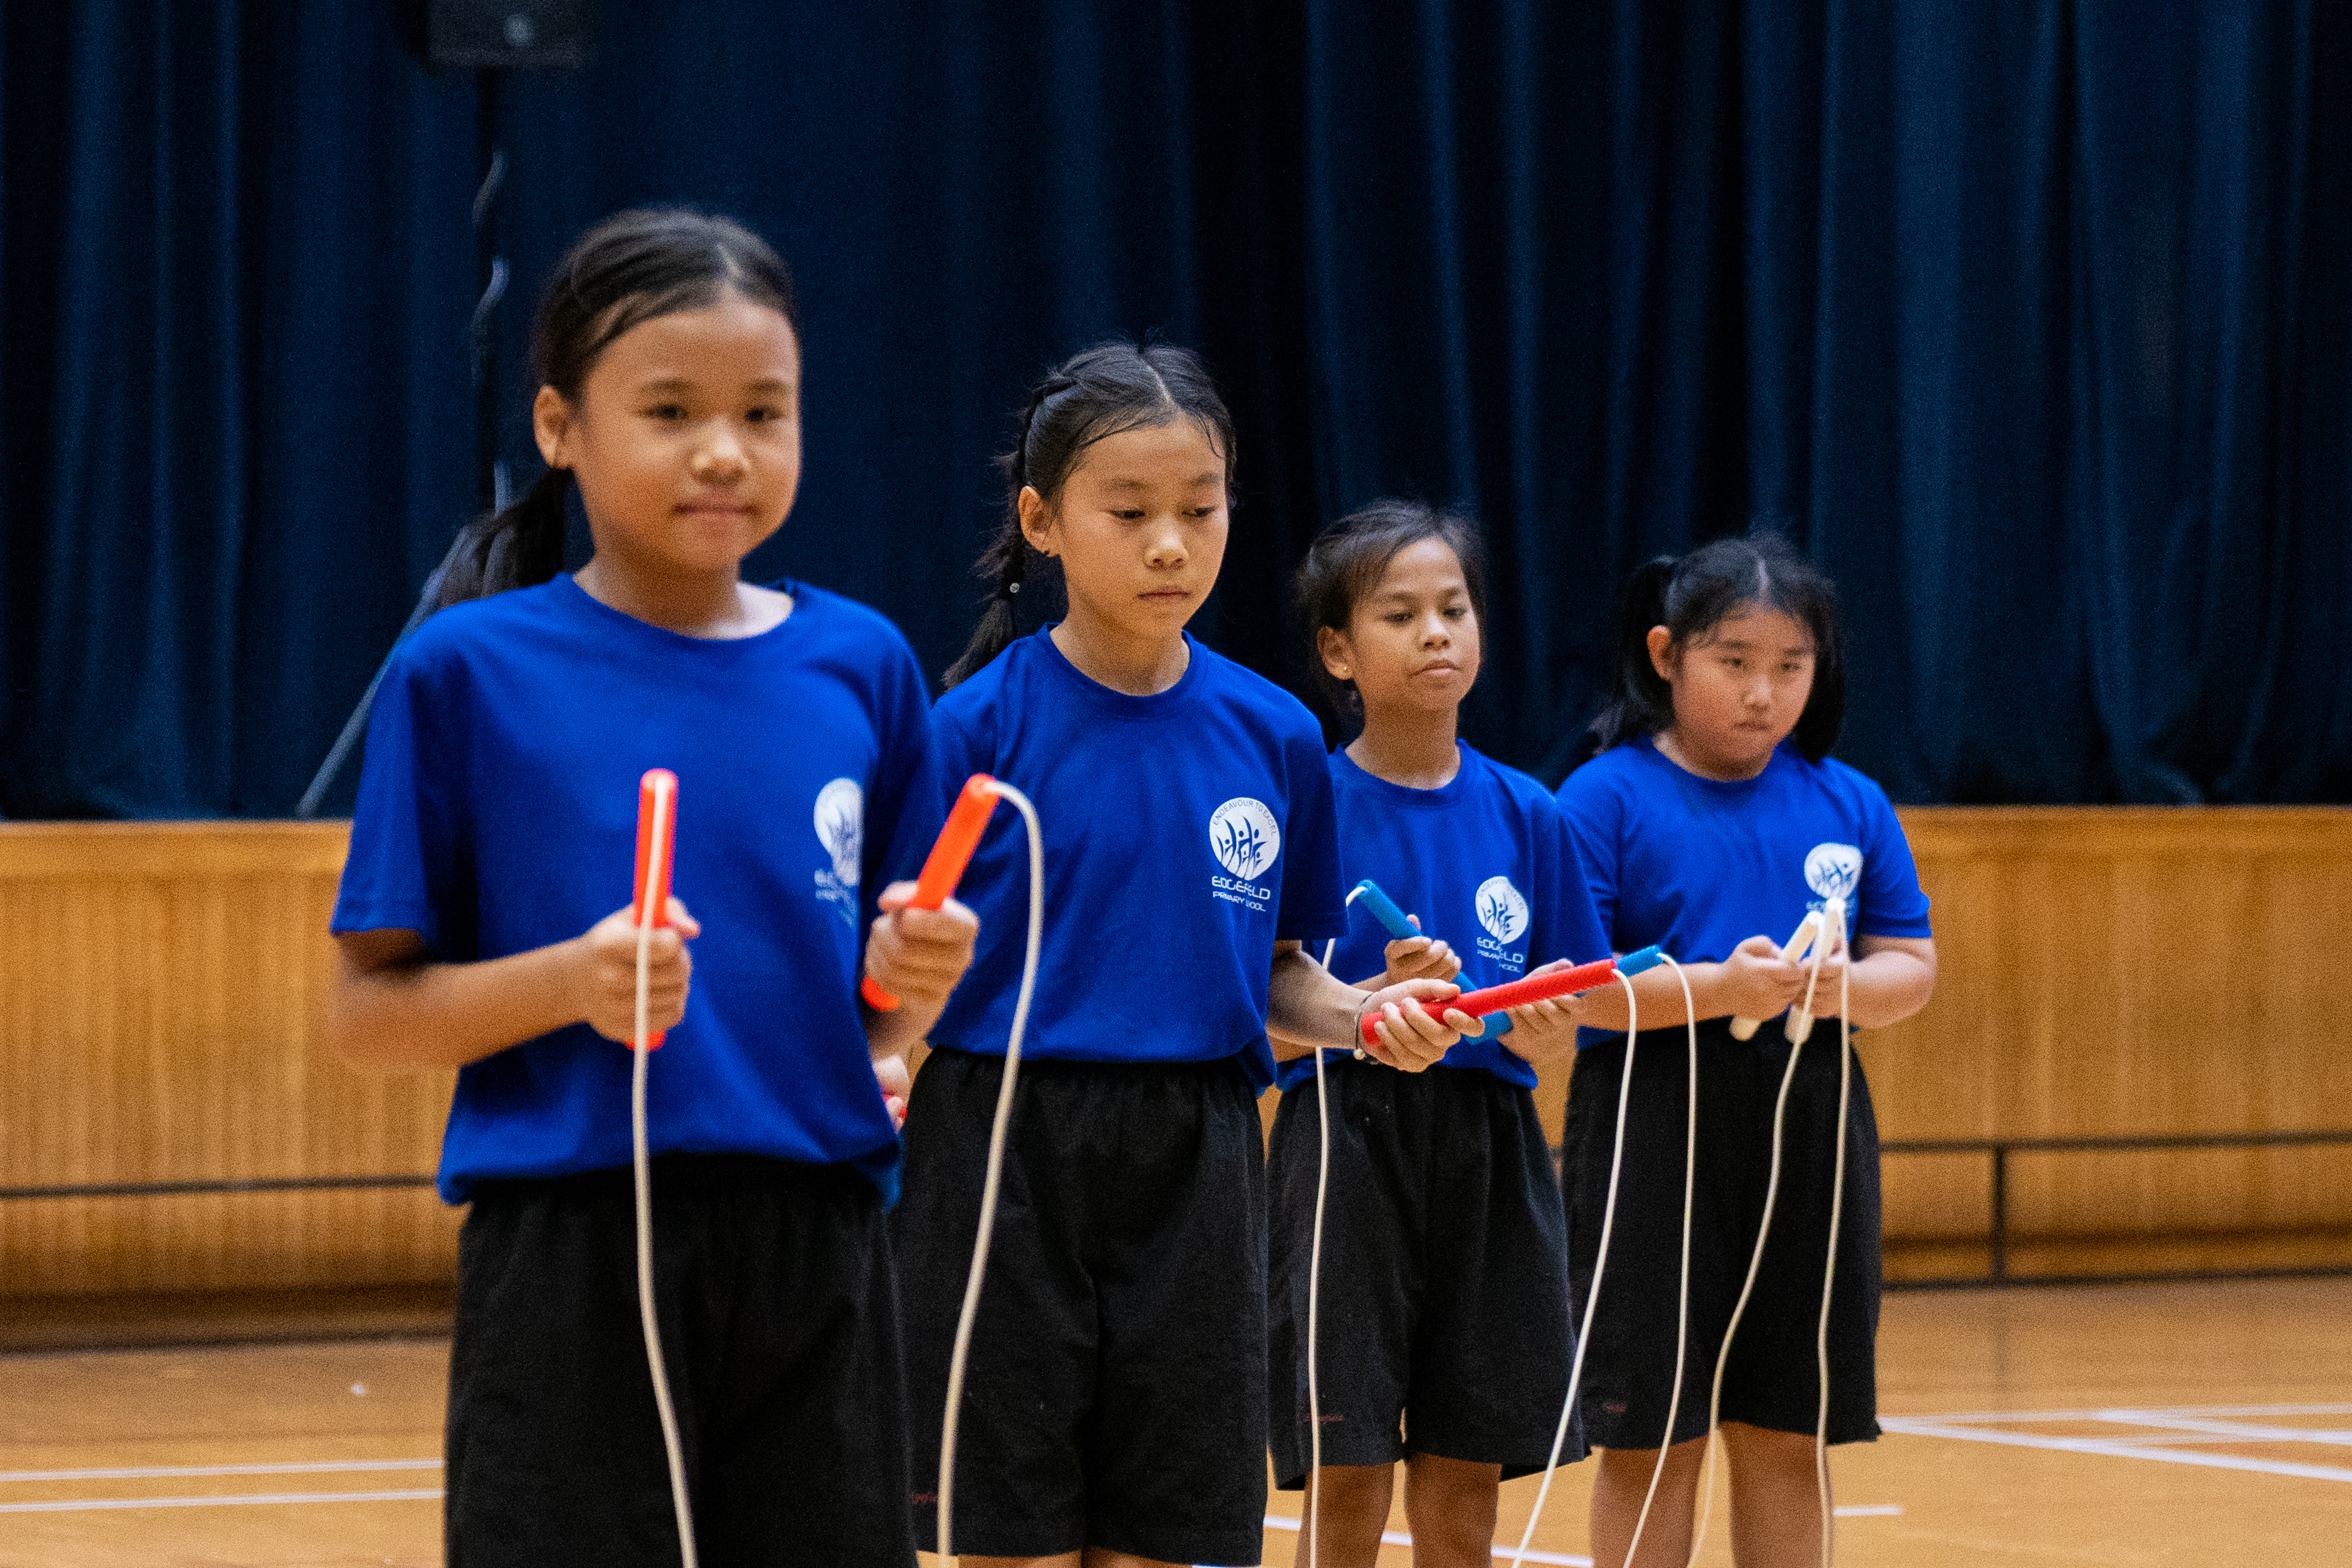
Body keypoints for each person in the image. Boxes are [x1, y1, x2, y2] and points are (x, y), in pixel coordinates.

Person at [326, 208, 977, 1568]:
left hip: (820, 1248)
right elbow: (368, 1020)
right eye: (670, 410)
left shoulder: (861, 666)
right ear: (561, 427)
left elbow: (869, 1018)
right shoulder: (467, 675)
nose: (725, 450)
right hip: (572, 1255)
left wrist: (914, 987)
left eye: (764, 410)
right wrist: (570, 982)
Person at [894, 343, 1471, 1568]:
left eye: (1199, 511)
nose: (1171, 543)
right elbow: (895, 974)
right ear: (1043, 521)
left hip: (1202, 1153)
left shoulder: (1272, 732)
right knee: (1017, 1534)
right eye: (1131, 512)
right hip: (1003, 1145)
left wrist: (1366, 1014)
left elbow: (1279, 975)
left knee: (1171, 1534)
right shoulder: (970, 731)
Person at [1555, 533, 1937, 1568]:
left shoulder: (1847, 800)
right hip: (1652, 1129)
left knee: (1785, 1426)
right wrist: (1717, 988)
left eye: (1789, 666)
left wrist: (1845, 987)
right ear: (1665, 653)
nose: (1762, 693)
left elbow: (1910, 960)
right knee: (1652, 1431)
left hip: (1810, 1121)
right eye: (1734, 661)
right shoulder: (1603, 797)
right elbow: (1580, 994)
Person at [1267, 500, 1616, 1568]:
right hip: (1344, 1142)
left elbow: (1556, 1025)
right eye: (1401, 612)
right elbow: (1260, 1015)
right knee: (1349, 1467)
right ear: (1337, 648)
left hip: (1491, 1150)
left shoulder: (1529, 812)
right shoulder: (1305, 799)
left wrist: (1543, 1029)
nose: (1435, 633)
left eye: (1453, 608)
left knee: (1466, 1478)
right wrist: (1366, 1001)